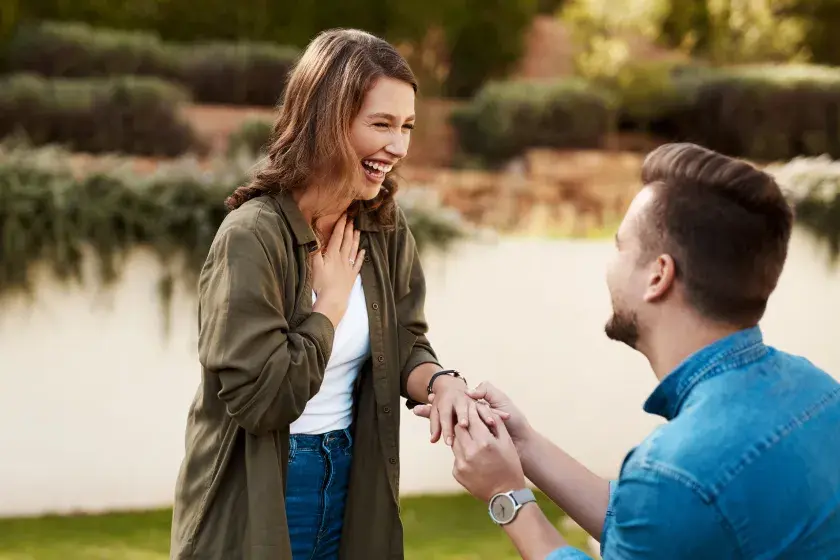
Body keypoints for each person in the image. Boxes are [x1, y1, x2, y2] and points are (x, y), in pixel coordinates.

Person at [415, 143, 840, 559]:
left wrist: (505, 496)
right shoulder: (818, 391)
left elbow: (670, 497)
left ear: (658, 276)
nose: (610, 265)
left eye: (620, 246)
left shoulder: (675, 471)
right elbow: (657, 526)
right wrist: (524, 446)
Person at [170, 28, 481, 560]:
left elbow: (404, 339)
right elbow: (261, 401)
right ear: (328, 122)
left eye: (406, 127)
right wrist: (328, 309)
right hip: (265, 492)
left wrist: (442, 384)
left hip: (352, 477)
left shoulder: (383, 226)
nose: (398, 146)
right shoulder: (252, 236)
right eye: (381, 124)